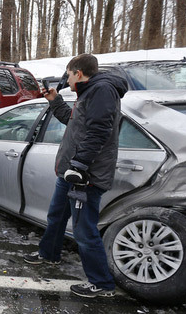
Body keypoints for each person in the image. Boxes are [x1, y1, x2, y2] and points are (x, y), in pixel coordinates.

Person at [23, 54, 128, 298]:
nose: (66, 79)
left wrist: (79, 165)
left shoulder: (101, 91)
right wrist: (55, 101)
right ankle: (49, 254)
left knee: (84, 230)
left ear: (78, 73)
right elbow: (76, 125)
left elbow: (99, 132)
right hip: (71, 172)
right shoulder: (89, 91)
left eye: (68, 74)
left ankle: (101, 283)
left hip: (85, 175)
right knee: (57, 215)